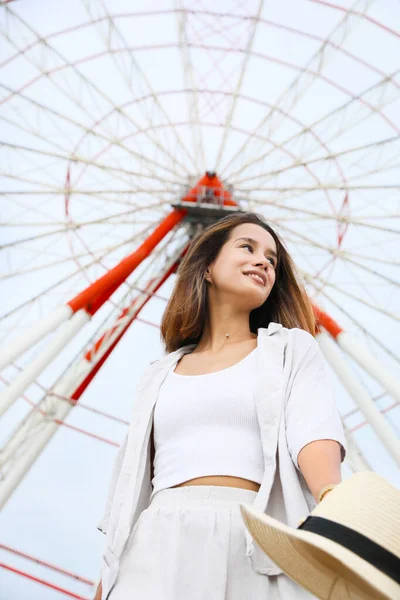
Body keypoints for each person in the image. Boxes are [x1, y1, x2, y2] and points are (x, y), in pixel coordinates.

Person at [94, 211, 347, 600]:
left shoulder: (289, 350)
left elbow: (313, 434)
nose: (263, 260)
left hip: (254, 536)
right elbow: (130, 490)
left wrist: (339, 509)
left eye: (272, 259)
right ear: (207, 267)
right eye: (247, 247)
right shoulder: (158, 374)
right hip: (157, 539)